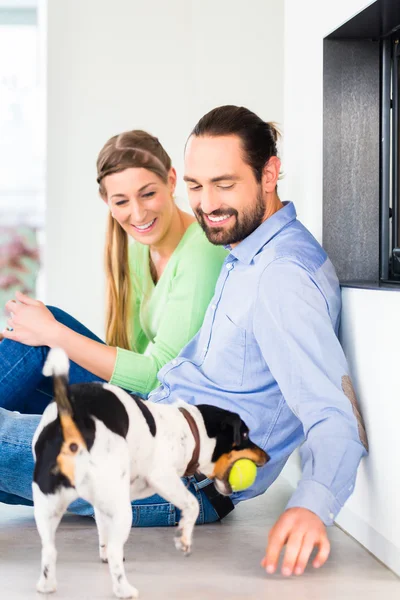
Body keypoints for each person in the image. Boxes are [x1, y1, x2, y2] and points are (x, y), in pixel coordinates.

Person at [0, 106, 368, 576]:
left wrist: (312, 506)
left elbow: (334, 414)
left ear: (270, 174)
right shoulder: (247, 252)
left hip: (178, 478)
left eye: (225, 183)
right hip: (153, 420)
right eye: (195, 186)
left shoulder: (281, 278)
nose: (206, 203)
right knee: (30, 346)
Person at [0, 129, 226, 411]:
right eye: (121, 201)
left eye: (148, 194)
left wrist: (52, 333)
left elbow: (159, 377)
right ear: (106, 201)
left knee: (43, 337)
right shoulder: (138, 252)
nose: (139, 213)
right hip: (146, 400)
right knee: (29, 351)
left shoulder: (202, 251)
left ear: (170, 180)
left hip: (173, 409)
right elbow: (127, 357)